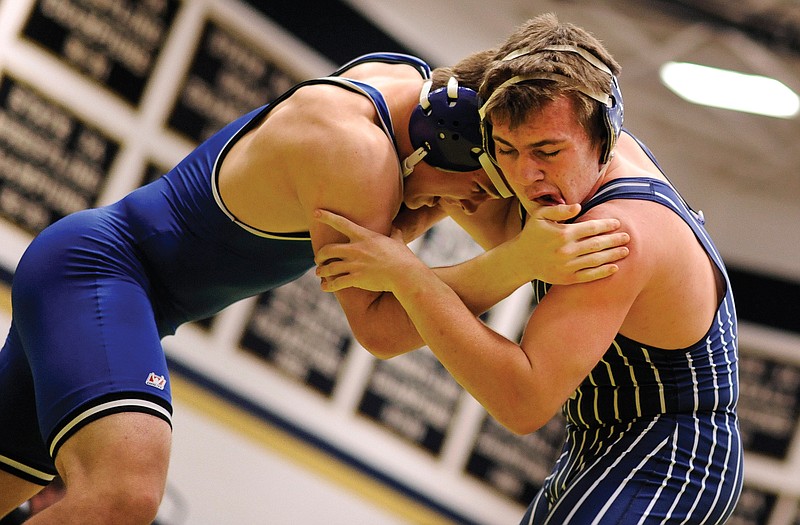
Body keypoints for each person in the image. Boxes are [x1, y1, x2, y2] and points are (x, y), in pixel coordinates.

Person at [0, 39, 632, 523]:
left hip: (102, 279)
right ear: (452, 148)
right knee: (125, 495)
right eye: (486, 187)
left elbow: (403, 233)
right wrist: (521, 262)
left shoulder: (408, 87)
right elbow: (380, 330)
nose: (475, 207)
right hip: (102, 275)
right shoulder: (354, 153)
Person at [314, 13, 743, 524]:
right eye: (507, 151)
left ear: (603, 137)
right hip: (601, 440)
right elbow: (477, 221)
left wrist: (406, 273)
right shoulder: (576, 168)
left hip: (675, 458)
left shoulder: (613, 236)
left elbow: (521, 402)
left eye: (547, 151)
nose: (526, 174)